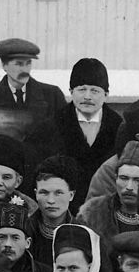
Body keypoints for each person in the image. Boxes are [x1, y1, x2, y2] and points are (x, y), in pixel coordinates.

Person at [0, 37, 65, 158]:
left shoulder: (52, 95)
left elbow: (65, 137)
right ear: (4, 65)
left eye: (28, 63)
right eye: (19, 64)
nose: (25, 69)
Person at [52, 58, 122, 204]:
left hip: (106, 208)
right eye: (82, 89)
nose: (87, 97)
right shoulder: (54, 125)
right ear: (71, 91)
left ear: (106, 94)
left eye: (95, 90)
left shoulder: (119, 127)